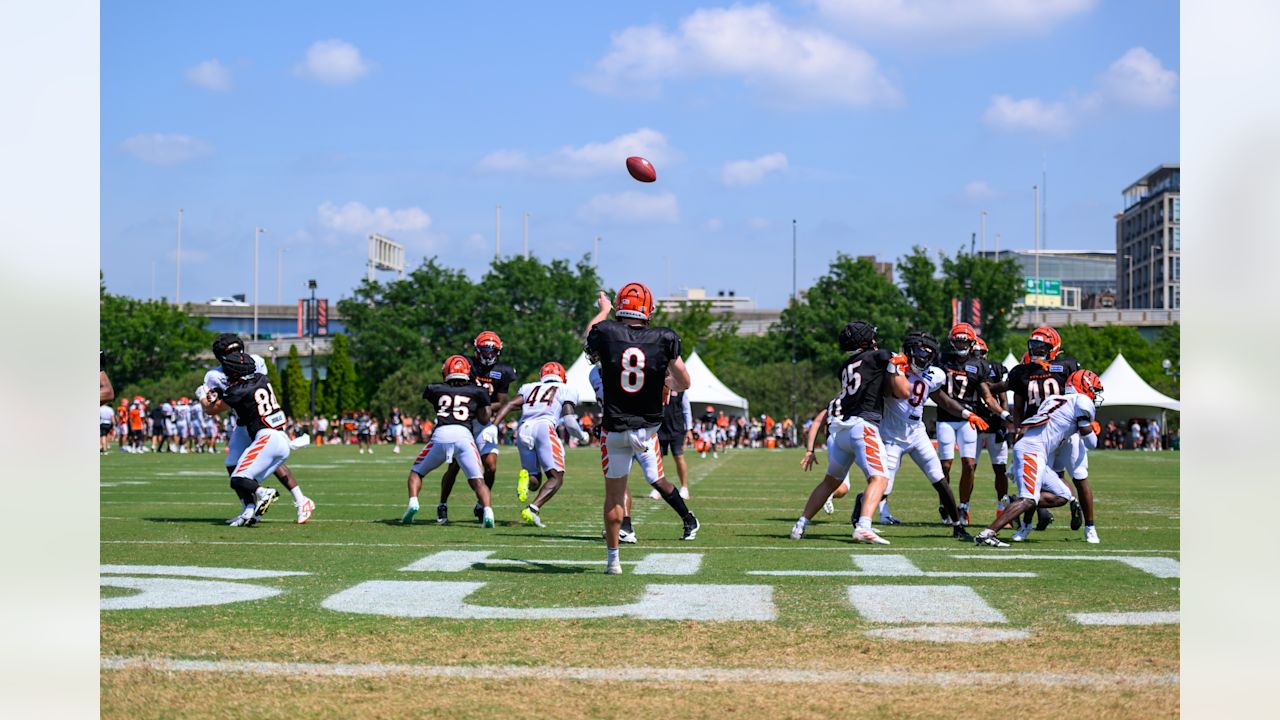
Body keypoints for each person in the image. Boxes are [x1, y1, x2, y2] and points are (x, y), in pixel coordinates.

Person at [586, 283, 700, 575]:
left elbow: (590, 338)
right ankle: (663, 522)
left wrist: (603, 311)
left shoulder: (607, 332)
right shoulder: (664, 338)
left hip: (613, 430)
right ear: (648, 310)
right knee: (654, 478)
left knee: (614, 495)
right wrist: (667, 384)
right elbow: (684, 382)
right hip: (647, 430)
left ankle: (613, 561)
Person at [790, 320, 910, 545]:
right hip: (862, 427)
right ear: (868, 340)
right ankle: (864, 526)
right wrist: (897, 367)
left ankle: (800, 524)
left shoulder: (845, 366)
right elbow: (903, 392)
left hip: (840, 431)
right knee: (880, 479)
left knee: (830, 482)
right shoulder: (880, 356)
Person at [975, 369, 1103, 547]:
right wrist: (1093, 428)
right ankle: (987, 534)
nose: (1095, 395)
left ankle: (1013, 503)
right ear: (1085, 387)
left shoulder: (1053, 399)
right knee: (1029, 499)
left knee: (1063, 495)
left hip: (1036, 451)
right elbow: (1091, 443)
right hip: (1032, 451)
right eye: (1094, 390)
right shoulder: (1082, 401)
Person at [990, 326, 1095, 539]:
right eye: (1034, 346)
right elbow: (1017, 406)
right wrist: (1018, 428)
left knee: (1079, 475)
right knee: (1034, 482)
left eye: (1042, 346)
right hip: (1039, 434)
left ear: (1054, 347)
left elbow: (1080, 391)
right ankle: (1026, 525)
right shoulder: (1021, 371)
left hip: (1066, 431)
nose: (1037, 350)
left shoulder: (1066, 366)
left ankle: (1090, 527)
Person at [197, 334, 314, 524]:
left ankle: (298, 499)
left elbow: (214, 407)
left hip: (259, 422)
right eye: (231, 353)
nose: (236, 356)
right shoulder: (237, 370)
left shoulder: (242, 370)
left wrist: (204, 397)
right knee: (234, 463)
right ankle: (249, 509)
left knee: (262, 463)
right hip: (249, 422)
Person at [492, 361, 589, 528]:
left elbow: (509, 404)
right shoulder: (567, 389)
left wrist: (493, 427)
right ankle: (533, 509)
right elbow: (570, 421)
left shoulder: (529, 387)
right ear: (562, 377)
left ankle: (526, 481)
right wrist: (582, 436)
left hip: (524, 429)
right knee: (556, 477)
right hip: (544, 428)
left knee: (535, 481)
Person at [402, 355, 494, 527]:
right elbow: (484, 418)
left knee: (417, 472)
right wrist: (484, 399)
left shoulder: (434, 388)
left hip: (441, 435)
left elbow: (436, 401)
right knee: (478, 479)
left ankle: (413, 502)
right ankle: (488, 511)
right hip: (464, 435)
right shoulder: (477, 390)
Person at [202, 351, 292, 527]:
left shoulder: (238, 390)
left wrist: (203, 396)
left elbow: (211, 409)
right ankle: (250, 513)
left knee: (237, 479)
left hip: (267, 438)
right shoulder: (261, 378)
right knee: (245, 480)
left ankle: (264, 493)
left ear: (235, 372)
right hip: (281, 439)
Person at [438, 331, 517, 525]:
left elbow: (502, 401)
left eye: (492, 351)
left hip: (483, 420)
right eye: (484, 350)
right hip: (463, 420)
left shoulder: (503, 371)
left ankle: (481, 505)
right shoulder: (466, 364)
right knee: (455, 466)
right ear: (476, 350)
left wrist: (483, 406)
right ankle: (442, 504)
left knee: (490, 466)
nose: (488, 355)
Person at [934, 323, 1005, 525]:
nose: (960, 343)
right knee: (945, 465)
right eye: (957, 340)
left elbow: (988, 396)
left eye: (964, 340)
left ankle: (963, 506)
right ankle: (945, 503)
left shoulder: (979, 365)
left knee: (968, 464)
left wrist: (1003, 414)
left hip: (969, 419)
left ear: (971, 342)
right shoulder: (942, 359)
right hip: (946, 417)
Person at [588, 344, 636, 543]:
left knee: (654, 478)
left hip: (634, 425)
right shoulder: (594, 373)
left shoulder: (619, 367)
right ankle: (625, 526)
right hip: (615, 425)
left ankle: (687, 518)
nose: (592, 355)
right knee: (621, 480)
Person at [971, 337, 1012, 520]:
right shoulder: (967, 370)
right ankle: (965, 508)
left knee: (1000, 468)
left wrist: (1004, 421)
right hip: (975, 423)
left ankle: (1001, 508)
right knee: (970, 467)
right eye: (975, 353)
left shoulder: (994, 369)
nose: (978, 356)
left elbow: (1002, 398)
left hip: (994, 423)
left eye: (981, 353)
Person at [650, 380, 692, 500]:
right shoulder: (657, 387)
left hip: (677, 429)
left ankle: (684, 487)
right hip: (660, 428)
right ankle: (658, 488)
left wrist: (689, 429)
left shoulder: (681, 390)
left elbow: (686, 410)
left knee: (679, 457)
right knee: (658, 459)